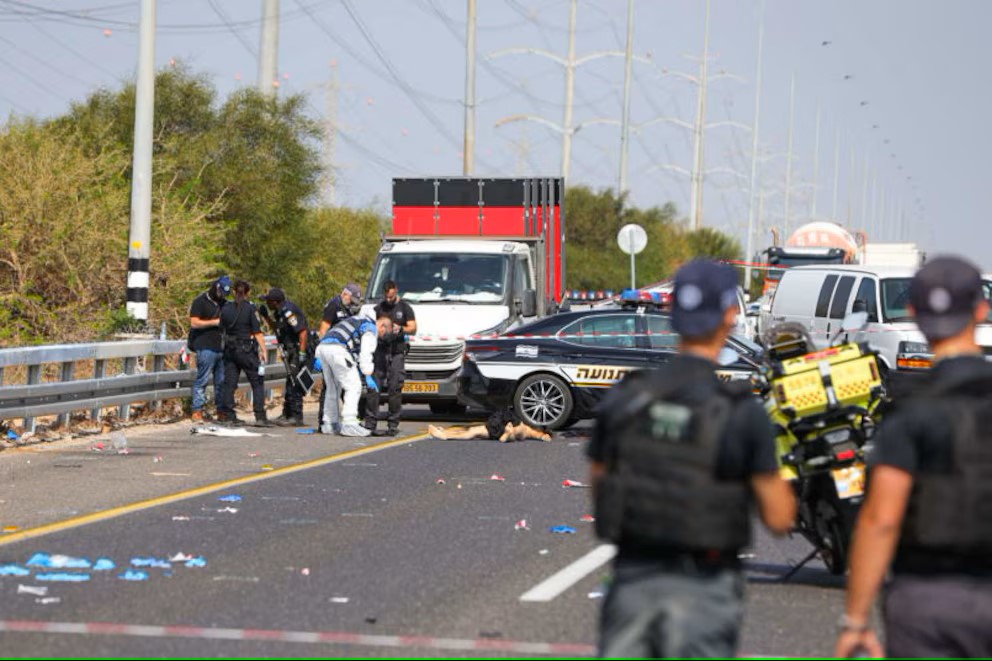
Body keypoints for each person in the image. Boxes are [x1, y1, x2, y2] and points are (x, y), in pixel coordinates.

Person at [587, 259, 796, 659]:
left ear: (671, 313)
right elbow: (780, 517)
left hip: (633, 579)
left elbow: (601, 490)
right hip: (705, 586)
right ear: (730, 317)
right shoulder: (740, 411)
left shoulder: (625, 398)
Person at [835, 256, 992, 659]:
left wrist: (856, 619)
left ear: (916, 314)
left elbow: (881, 520)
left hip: (927, 600)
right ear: (981, 310)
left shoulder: (911, 411)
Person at [315, 309, 392, 437]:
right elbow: (366, 353)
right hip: (338, 350)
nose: (380, 336)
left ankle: (329, 423)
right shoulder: (370, 327)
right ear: (382, 326)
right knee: (354, 386)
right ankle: (349, 423)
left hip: (323, 348)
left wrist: (317, 356)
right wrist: (367, 373)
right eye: (383, 334)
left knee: (333, 388)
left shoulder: (354, 320)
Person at [217, 279, 273, 427]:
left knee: (229, 383)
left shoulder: (226, 308)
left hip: (230, 350)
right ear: (248, 293)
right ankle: (260, 416)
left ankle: (229, 415)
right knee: (257, 382)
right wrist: (263, 350)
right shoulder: (249, 309)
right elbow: (257, 332)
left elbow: (221, 328)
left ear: (234, 291)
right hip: (246, 350)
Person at [364, 280, 417, 436]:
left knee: (395, 388)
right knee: (374, 388)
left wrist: (400, 328)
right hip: (380, 351)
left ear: (396, 291)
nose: (388, 299)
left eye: (391, 296)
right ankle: (370, 423)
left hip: (397, 352)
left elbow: (413, 328)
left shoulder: (405, 308)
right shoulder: (379, 308)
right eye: (386, 296)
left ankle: (393, 424)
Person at [258, 287, 309, 427]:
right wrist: (266, 317)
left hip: (297, 350)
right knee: (289, 381)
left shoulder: (289, 312)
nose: (267, 303)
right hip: (288, 350)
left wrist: (302, 354)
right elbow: (277, 329)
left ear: (275, 302)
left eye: (268, 301)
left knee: (294, 382)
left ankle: (297, 415)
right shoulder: (279, 313)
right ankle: (287, 413)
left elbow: (302, 332)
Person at [316, 284, 363, 428]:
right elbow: (323, 330)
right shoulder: (333, 306)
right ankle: (324, 420)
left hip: (344, 351)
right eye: (353, 301)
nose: (354, 305)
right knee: (329, 386)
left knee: (346, 384)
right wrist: (319, 355)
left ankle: (351, 418)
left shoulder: (349, 308)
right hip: (331, 350)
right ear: (345, 295)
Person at [187, 276, 231, 422]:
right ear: (215, 287)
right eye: (220, 293)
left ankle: (221, 410)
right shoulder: (200, 301)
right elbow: (194, 323)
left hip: (222, 347)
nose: (222, 296)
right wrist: (215, 322)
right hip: (205, 346)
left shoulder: (225, 304)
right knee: (203, 379)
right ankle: (197, 410)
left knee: (221, 381)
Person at [427, 409, 551, 442]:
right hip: (501, 430)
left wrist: (507, 433)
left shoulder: (525, 430)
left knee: (473, 432)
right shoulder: (525, 429)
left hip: (501, 431)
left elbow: (508, 438)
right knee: (473, 431)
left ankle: (445, 435)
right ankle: (446, 433)